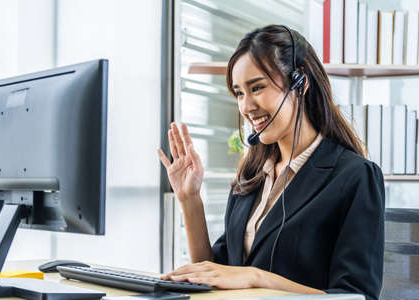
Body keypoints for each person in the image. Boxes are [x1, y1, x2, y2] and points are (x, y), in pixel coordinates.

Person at [157, 25, 385, 300]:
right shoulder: (252, 176)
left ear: (301, 82)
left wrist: (257, 278)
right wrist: (190, 199)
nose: (246, 106)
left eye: (257, 87)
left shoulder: (354, 176)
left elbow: (357, 296)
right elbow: (215, 274)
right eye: (239, 93)